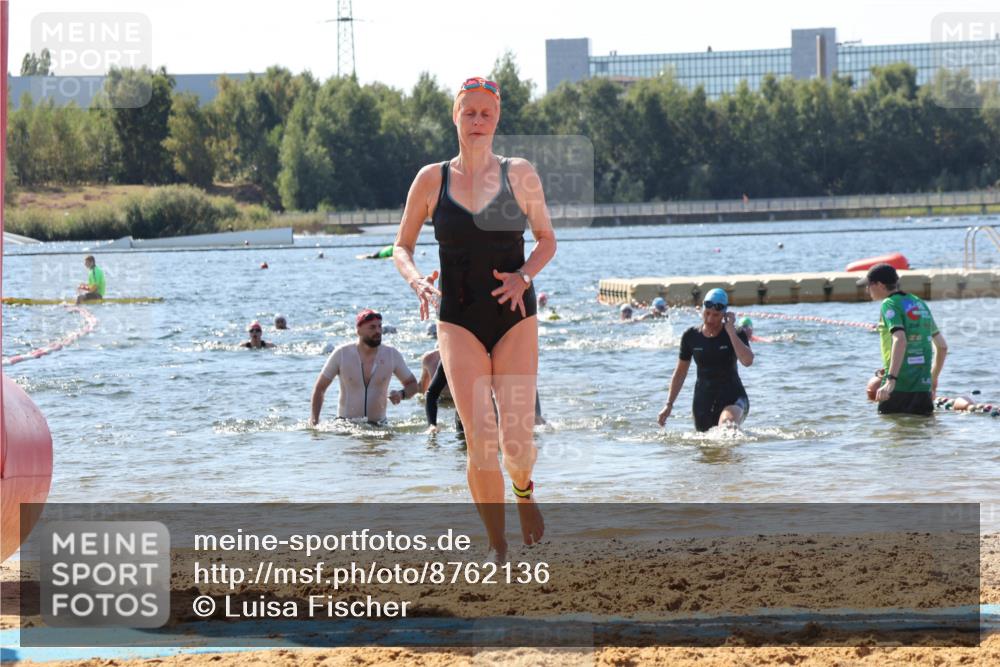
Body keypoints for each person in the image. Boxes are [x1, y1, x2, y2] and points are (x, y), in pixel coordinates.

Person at [392, 76, 557, 558]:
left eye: (486, 113)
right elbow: (401, 246)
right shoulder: (431, 179)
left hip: (514, 314)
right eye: (470, 112)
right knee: (481, 437)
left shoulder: (519, 173)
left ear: (497, 118)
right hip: (457, 318)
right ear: (455, 116)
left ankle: (524, 491)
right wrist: (416, 279)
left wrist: (523, 277)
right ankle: (497, 543)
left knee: (516, 443)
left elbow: (547, 239)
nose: (478, 121)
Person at [657, 288, 754, 431]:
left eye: (716, 315)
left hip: (734, 398)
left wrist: (731, 331)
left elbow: (747, 361)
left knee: (727, 426)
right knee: (707, 447)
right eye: (707, 313)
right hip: (703, 402)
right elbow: (680, 373)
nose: (710, 319)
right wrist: (669, 404)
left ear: (724, 314)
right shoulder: (691, 336)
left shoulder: (736, 332)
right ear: (702, 309)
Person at [858, 263, 947, 415]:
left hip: (898, 387)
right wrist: (933, 379)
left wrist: (891, 379)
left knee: (894, 434)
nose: (867, 289)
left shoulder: (889, 304)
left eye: (869, 285)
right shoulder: (919, 303)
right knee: (920, 435)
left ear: (879, 284)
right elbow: (942, 346)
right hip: (923, 388)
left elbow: (900, 339)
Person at [309, 309, 419, 425]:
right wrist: (314, 421)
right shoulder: (341, 354)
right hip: (345, 426)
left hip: (380, 426)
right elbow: (319, 388)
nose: (378, 331)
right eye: (372, 327)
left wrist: (401, 394)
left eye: (379, 326)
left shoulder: (391, 355)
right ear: (358, 331)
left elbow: (413, 385)